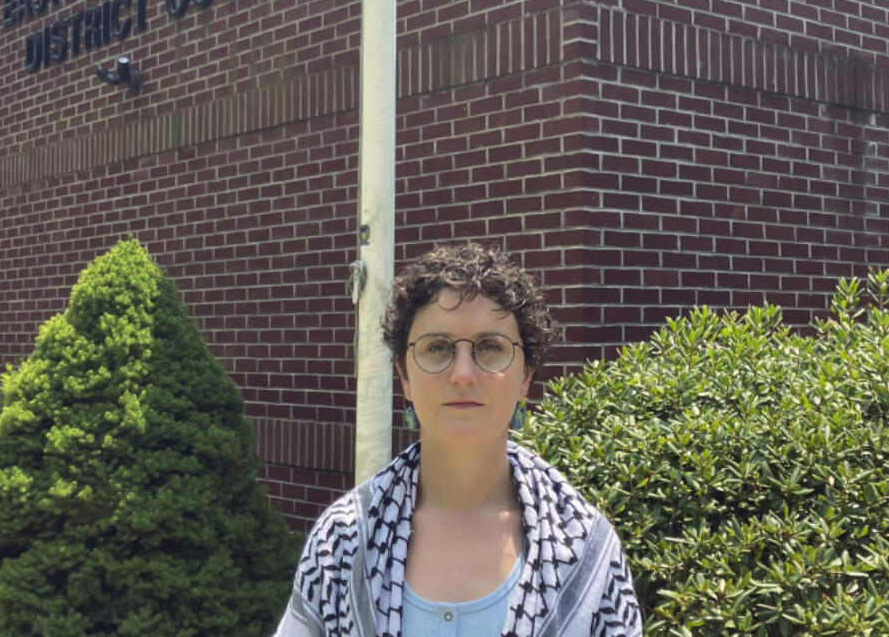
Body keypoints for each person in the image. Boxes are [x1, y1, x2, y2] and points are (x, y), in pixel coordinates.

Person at [274, 242, 643, 636]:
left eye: (490, 347)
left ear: (526, 377)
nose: (463, 374)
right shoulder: (342, 542)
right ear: (404, 377)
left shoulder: (585, 545)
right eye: (437, 348)